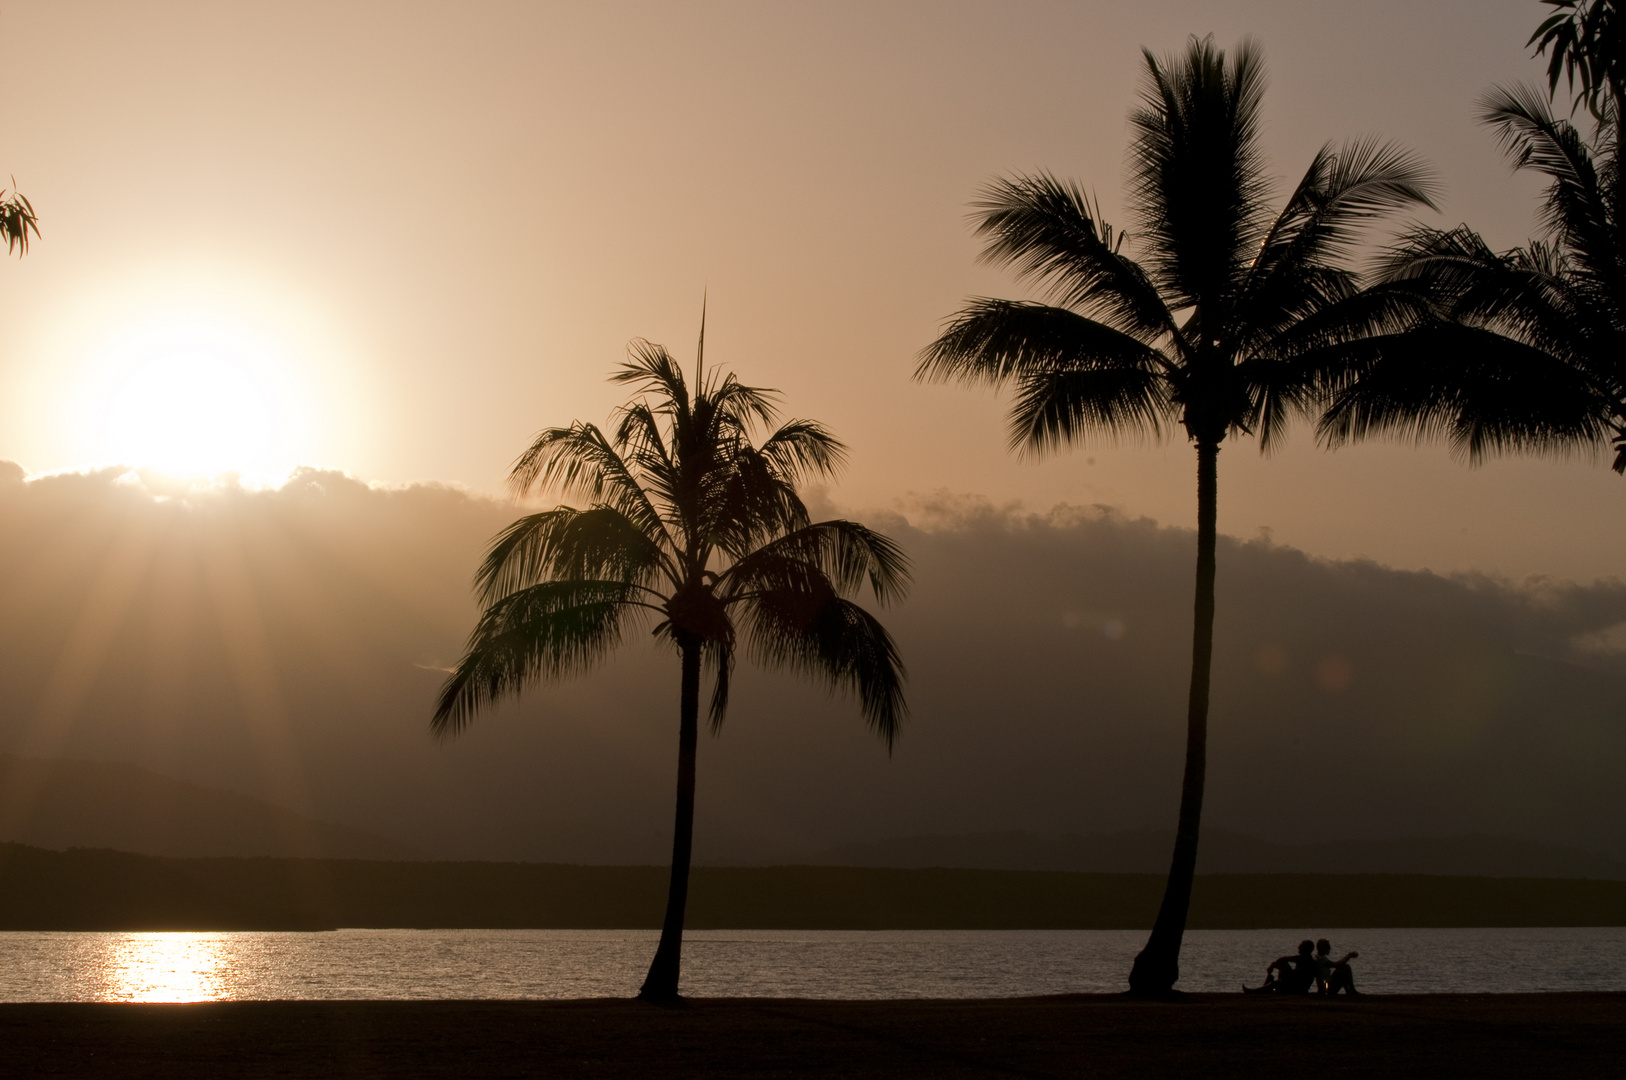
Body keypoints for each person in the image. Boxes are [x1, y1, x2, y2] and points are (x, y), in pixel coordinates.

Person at [1242, 940, 1317, 994]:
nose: (1298, 948)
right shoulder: (1305, 958)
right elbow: (1282, 960)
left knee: (1275, 983)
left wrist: (1273, 967)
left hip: (1298, 988)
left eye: (1301, 946)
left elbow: (1283, 959)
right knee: (1281, 968)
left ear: (1306, 949)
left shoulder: (1304, 959)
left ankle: (1256, 991)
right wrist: (1274, 966)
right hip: (1297, 984)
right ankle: (1267, 983)